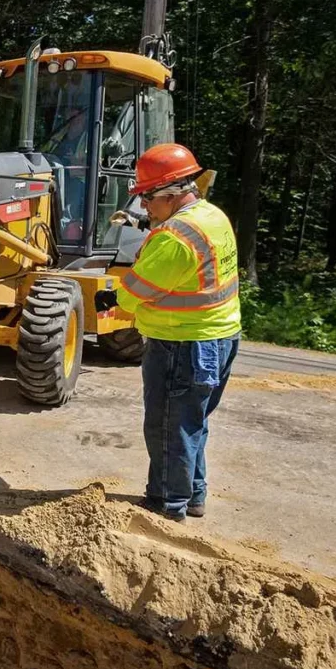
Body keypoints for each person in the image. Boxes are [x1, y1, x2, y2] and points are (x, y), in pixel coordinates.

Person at [95, 144, 241, 523]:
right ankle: (193, 495)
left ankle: (165, 508)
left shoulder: (174, 239)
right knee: (191, 422)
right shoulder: (212, 217)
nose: (143, 206)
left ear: (172, 194)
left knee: (166, 426)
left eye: (146, 197)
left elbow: (135, 293)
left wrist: (110, 296)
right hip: (218, 337)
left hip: (182, 344)